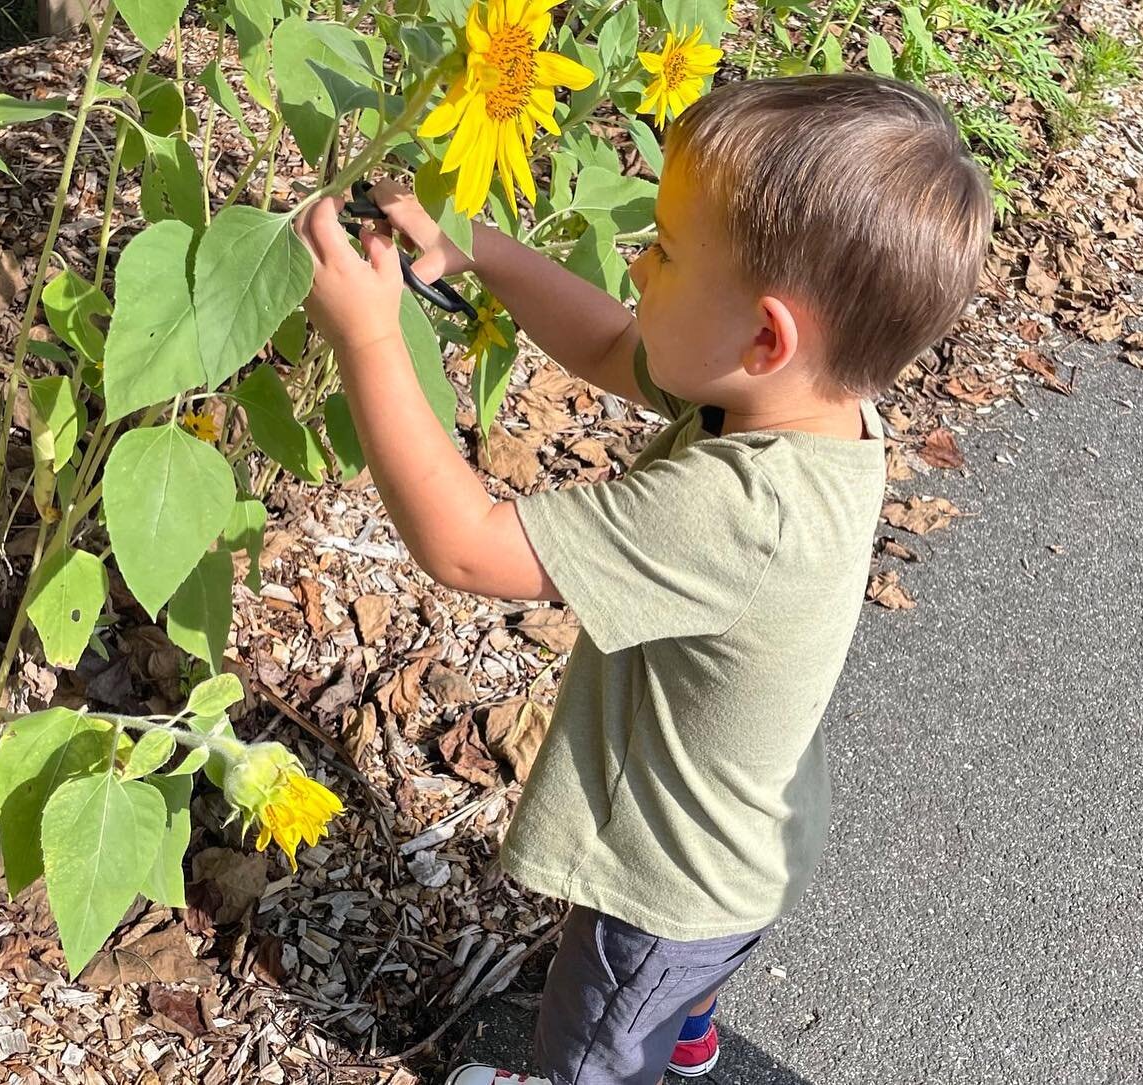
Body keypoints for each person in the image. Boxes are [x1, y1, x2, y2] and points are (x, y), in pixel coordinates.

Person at [294, 72, 992, 1085]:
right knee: (680, 987)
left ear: (765, 336)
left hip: (666, 887)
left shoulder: (742, 516)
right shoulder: (805, 403)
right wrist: (472, 245)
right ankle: (691, 1034)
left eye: (662, 250)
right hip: (751, 829)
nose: (636, 260)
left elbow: (467, 544)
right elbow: (617, 343)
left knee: (598, 1044)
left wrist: (366, 334)